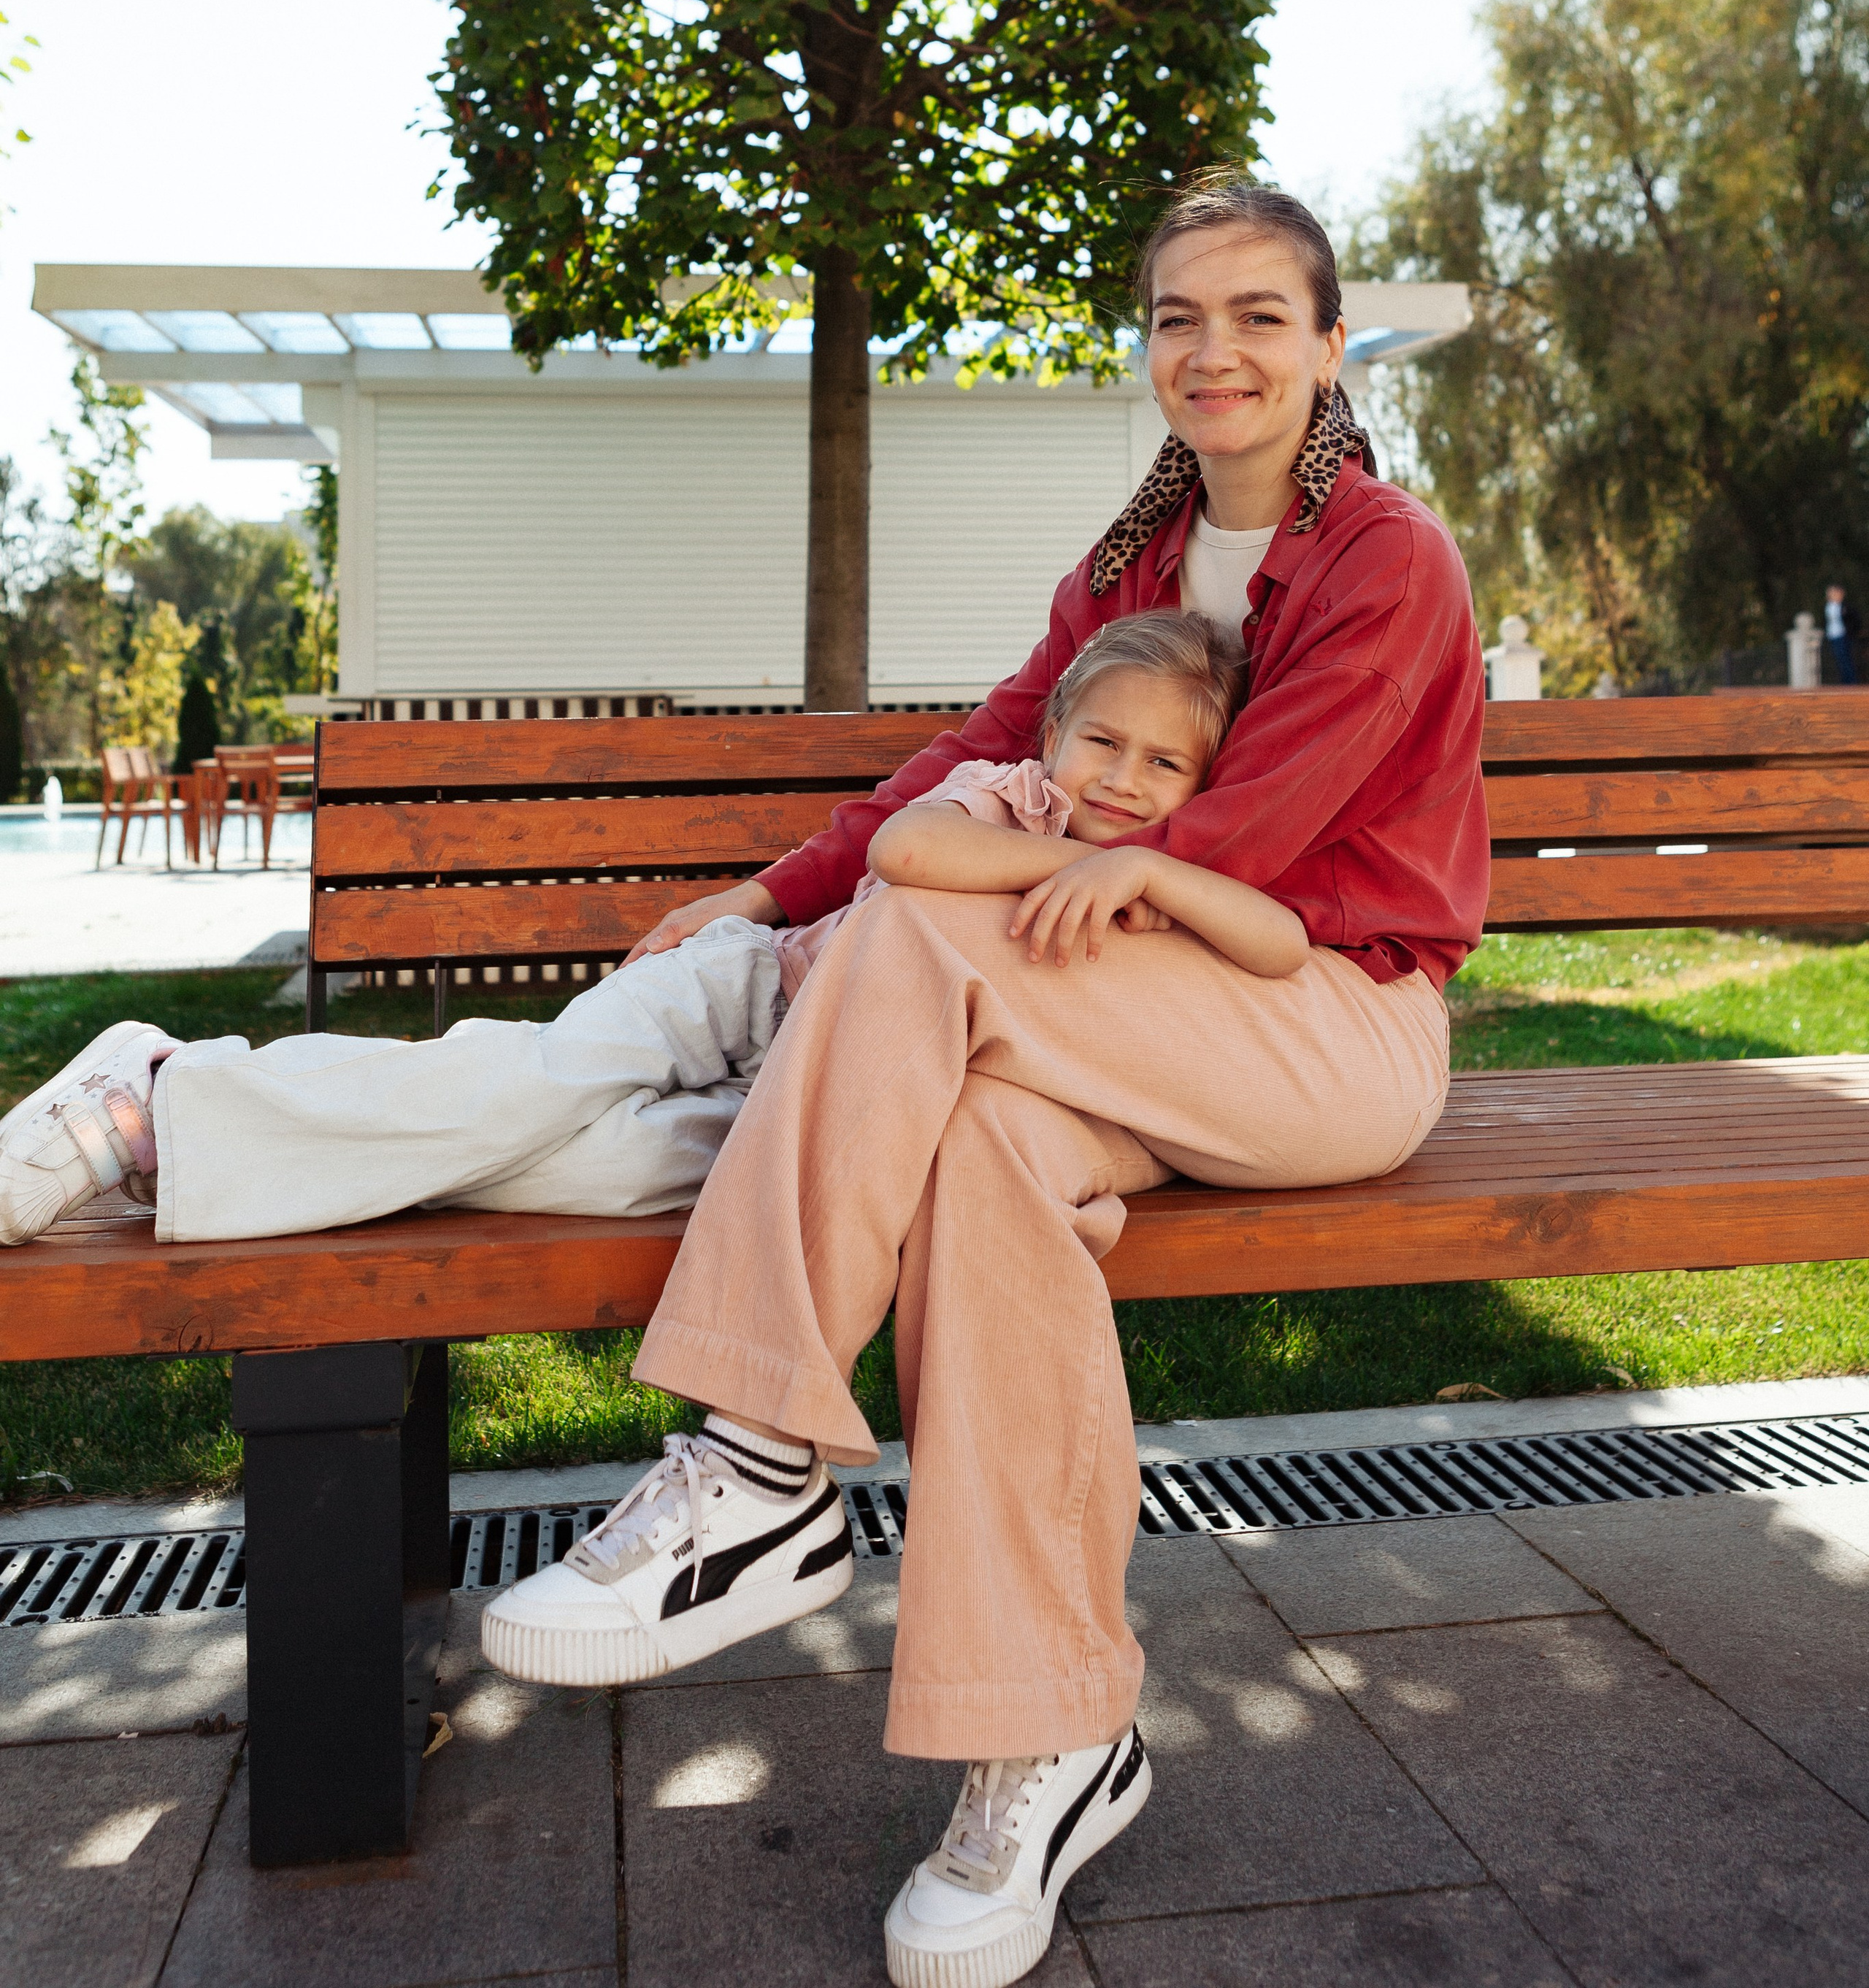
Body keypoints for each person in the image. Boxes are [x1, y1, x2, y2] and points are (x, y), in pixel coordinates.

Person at [478, 178, 1491, 1988]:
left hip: (1322, 1015)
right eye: (1179, 313)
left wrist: (911, 878)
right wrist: (782, 880)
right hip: (1123, 1003)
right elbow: (980, 750)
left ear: (1331, 345)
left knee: (915, 934)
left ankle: (760, 1449)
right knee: (983, 1149)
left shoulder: (1384, 559)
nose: (1215, 347)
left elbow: (1246, 852)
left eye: (1260, 312)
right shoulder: (1125, 570)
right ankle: (1047, 1734)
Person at [0, 615, 1278, 1254]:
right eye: (1104, 740)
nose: (1124, 777)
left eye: (1166, 764)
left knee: (600, 1175)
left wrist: (1157, 880)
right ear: (1052, 736)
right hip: (746, 991)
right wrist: (1079, 860)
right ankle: (143, 1103)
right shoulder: (1018, 803)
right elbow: (909, 852)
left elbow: (1267, 947)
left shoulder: (1155, 892)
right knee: (537, 1082)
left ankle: (185, 1108)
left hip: (821, 1091)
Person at [1824, 584, 1860, 686]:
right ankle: (1845, 681)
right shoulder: (1828, 606)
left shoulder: (1846, 606)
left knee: (1846, 659)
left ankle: (1852, 682)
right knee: (1840, 659)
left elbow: (1855, 620)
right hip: (1833, 636)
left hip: (1843, 636)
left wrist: (1852, 632)